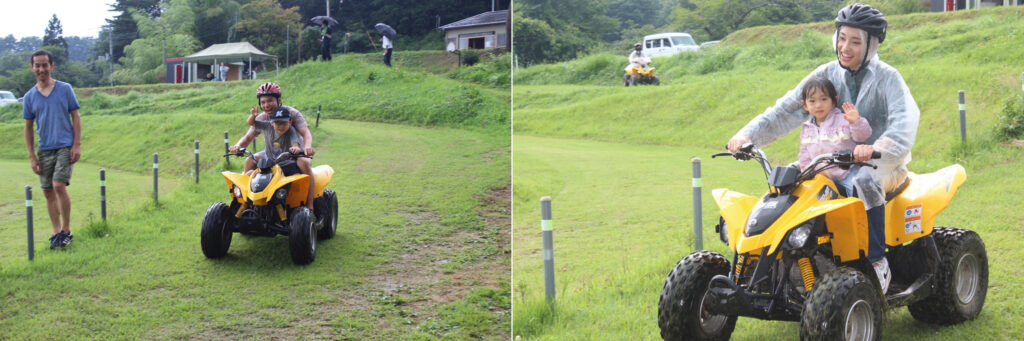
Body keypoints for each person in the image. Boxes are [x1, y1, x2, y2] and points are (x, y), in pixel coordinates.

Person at [725, 3, 919, 294]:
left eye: (855, 41)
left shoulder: (889, 78)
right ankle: (785, 259)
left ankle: (877, 260)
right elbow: (785, 109)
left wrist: (876, 147)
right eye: (842, 38)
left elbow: (904, 123)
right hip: (831, 158)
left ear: (871, 44)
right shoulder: (827, 74)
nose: (846, 47)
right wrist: (746, 135)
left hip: (880, 162)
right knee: (791, 179)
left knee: (864, 180)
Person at [22, 50, 82, 249]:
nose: (41, 69)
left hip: (64, 145)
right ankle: (56, 233)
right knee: (48, 191)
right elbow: (28, 128)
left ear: (52, 66)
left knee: (58, 185)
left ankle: (66, 230)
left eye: (45, 65)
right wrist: (32, 156)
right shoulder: (30, 97)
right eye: (37, 65)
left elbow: (76, 116)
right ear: (32, 68)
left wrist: (76, 145)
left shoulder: (65, 89)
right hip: (44, 149)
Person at [229, 82, 317, 211]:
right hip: (272, 152)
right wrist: (237, 146)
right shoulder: (263, 118)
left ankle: (310, 204)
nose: (266, 105)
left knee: (303, 163)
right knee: (250, 160)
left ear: (279, 100)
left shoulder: (292, 114)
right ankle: (249, 201)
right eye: (263, 102)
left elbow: (306, 133)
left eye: (270, 101)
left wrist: (308, 147)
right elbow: (248, 137)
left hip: (294, 151)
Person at [797, 77, 871, 197]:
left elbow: (862, 136)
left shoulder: (843, 120)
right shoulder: (807, 128)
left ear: (834, 101)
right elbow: (804, 154)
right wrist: (805, 174)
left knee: (860, 192)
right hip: (821, 178)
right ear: (805, 105)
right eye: (812, 101)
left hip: (846, 174)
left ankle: (870, 215)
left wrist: (856, 122)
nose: (818, 105)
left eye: (824, 99)